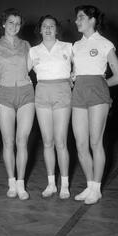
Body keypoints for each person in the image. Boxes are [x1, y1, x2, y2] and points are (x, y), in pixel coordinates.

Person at [71, 5, 118, 204]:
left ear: (92, 20)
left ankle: (97, 188)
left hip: (98, 96)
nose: (77, 21)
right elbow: (76, 72)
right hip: (79, 94)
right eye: (77, 18)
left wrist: (100, 85)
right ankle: (89, 185)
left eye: (80, 17)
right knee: (81, 144)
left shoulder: (105, 44)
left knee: (95, 142)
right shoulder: (75, 46)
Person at [0, 8, 35, 200]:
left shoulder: (26, 45)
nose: (14, 26)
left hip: (26, 93)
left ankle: (21, 184)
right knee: (8, 141)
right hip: (5, 93)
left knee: (22, 140)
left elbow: (32, 67)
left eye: (17, 23)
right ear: (3, 24)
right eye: (11, 22)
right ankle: (11, 182)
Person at [28, 15, 72, 199]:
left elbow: (83, 67)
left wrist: (75, 76)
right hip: (42, 92)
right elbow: (21, 72)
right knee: (47, 141)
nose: (47, 29)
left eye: (51, 26)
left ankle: (65, 185)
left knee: (60, 141)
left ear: (56, 29)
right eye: (44, 26)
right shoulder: (33, 51)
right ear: (40, 30)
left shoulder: (68, 47)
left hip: (62, 90)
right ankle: (51, 183)